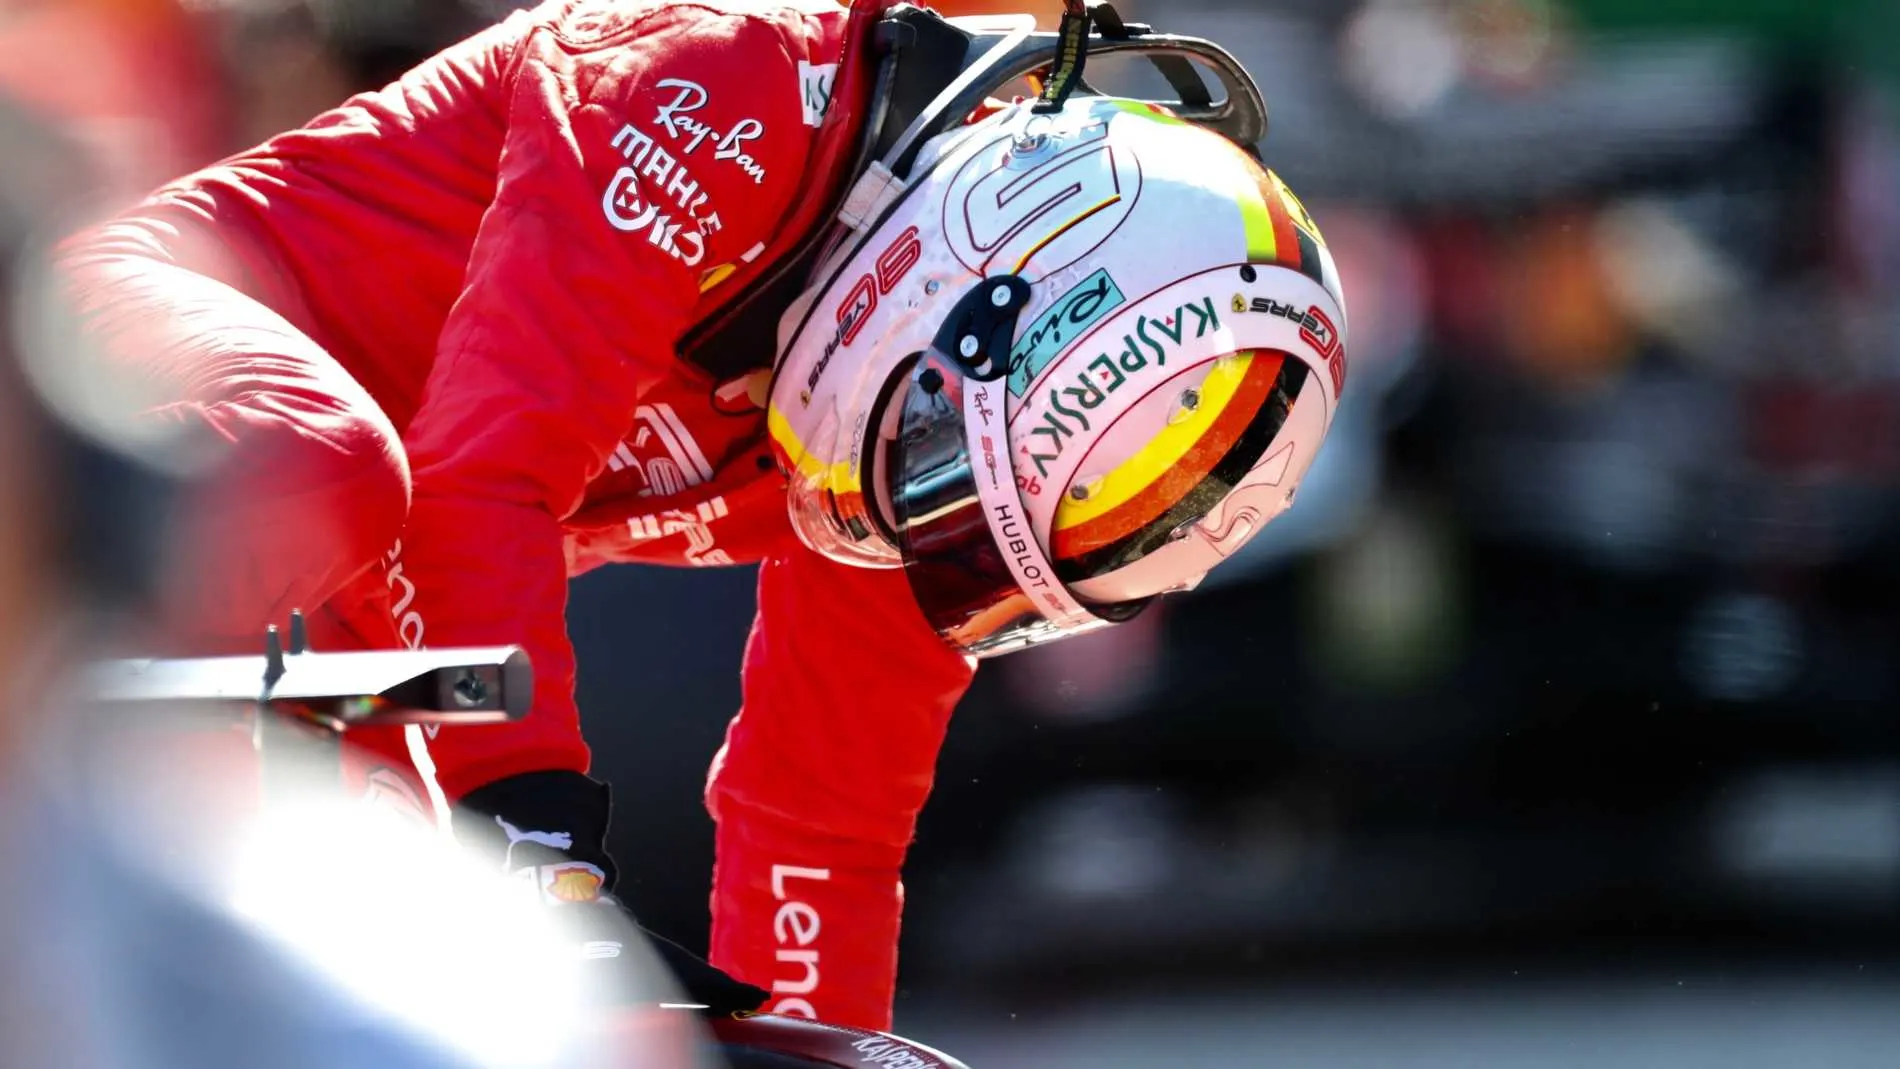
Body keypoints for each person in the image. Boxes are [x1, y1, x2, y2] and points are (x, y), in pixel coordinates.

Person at [54, 0, 1350, 1032]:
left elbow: (822, 827)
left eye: (972, 531)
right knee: (331, 473)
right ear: (981, 269)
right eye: (947, 465)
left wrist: (815, 1040)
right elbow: (479, 478)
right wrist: (531, 835)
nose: (926, 527)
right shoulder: (711, 69)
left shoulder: (923, 472)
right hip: (134, 368)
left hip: (358, 598)